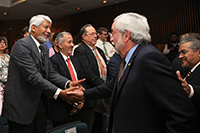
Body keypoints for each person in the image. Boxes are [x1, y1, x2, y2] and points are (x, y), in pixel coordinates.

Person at [68, 12, 198, 133]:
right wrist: (83, 94)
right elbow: (113, 85)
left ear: (126, 35)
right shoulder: (131, 58)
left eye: (113, 33)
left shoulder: (149, 58)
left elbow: (181, 114)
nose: (111, 39)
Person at [2, 15, 84, 133]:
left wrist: (68, 83)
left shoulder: (44, 49)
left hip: (38, 104)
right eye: (45, 27)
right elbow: (33, 77)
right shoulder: (22, 46)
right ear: (33, 28)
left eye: (50, 28)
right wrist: (60, 93)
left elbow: (50, 73)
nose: (49, 31)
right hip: (21, 106)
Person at [74, 24, 108, 133]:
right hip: (91, 95)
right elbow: (87, 74)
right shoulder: (80, 50)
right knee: (90, 126)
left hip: (102, 93)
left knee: (101, 126)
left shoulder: (99, 50)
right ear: (84, 37)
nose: (95, 36)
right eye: (92, 34)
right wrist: (105, 85)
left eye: (95, 34)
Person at [49, 31, 85, 127]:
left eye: (72, 42)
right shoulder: (52, 61)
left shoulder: (75, 60)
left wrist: (80, 101)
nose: (72, 45)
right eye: (69, 42)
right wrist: (73, 102)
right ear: (60, 45)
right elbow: (55, 84)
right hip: (62, 109)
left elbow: (81, 80)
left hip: (79, 107)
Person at [176, 35, 200, 132]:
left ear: (199, 52)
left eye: (184, 52)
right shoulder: (186, 72)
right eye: (179, 53)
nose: (180, 56)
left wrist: (191, 91)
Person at [0, 37, 10, 115]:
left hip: (9, 86)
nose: (2, 44)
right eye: (0, 42)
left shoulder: (7, 56)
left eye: (3, 42)